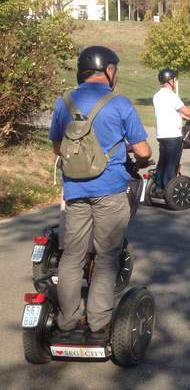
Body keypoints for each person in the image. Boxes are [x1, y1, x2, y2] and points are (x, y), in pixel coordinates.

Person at [48, 46, 151, 341]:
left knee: (71, 256)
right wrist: (142, 158)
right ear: (107, 70)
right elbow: (142, 150)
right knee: (107, 257)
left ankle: (67, 322)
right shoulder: (119, 103)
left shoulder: (63, 102)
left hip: (75, 191)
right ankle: (98, 323)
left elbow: (58, 149)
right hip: (110, 191)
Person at [152, 68, 190, 196]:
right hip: (173, 135)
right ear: (170, 81)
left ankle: (158, 187)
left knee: (162, 161)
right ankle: (167, 189)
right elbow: (185, 110)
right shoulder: (171, 96)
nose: (175, 82)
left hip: (161, 135)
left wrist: (184, 117)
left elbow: (169, 112)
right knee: (172, 163)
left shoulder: (157, 96)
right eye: (174, 80)